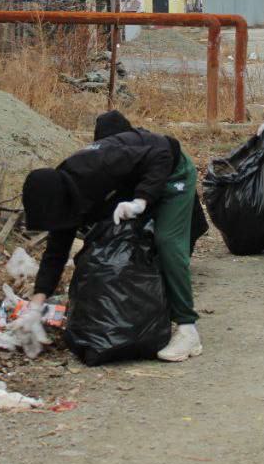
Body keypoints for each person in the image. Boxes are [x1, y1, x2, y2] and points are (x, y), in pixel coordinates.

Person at [19, 111, 202, 361]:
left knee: (167, 241)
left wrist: (140, 200)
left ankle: (187, 329)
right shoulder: (64, 198)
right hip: (143, 180)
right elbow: (56, 252)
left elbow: (162, 151)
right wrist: (35, 305)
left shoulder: (96, 166)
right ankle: (150, 314)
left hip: (173, 172)